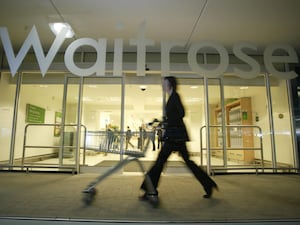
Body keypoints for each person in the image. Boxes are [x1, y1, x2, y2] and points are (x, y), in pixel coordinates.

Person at [140, 76, 218, 200]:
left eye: (164, 83)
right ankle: (208, 184)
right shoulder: (171, 97)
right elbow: (174, 115)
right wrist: (161, 121)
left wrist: (167, 121)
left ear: (170, 84)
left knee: (160, 162)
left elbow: (182, 113)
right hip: (177, 136)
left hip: (174, 136)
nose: (162, 85)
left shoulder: (175, 96)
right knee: (186, 162)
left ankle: (150, 189)